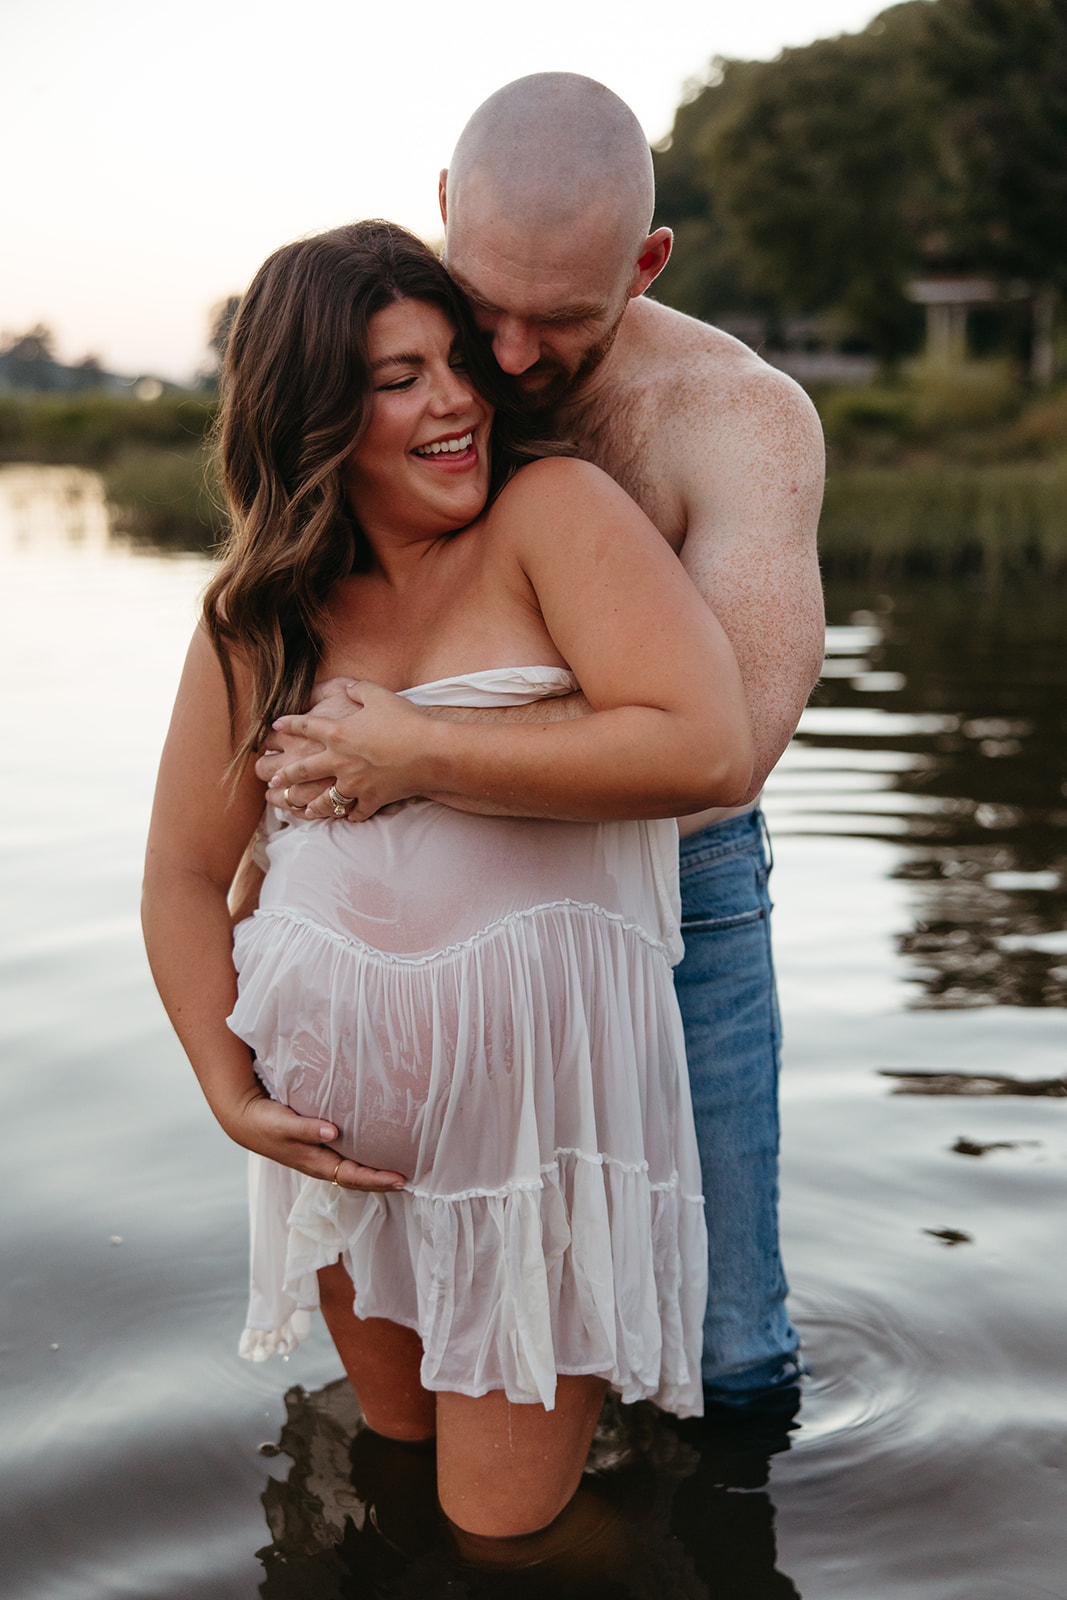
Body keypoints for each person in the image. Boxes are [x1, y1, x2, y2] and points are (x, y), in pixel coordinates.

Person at [141, 220, 754, 1541]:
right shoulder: (261, 611)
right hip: (339, 1152)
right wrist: (226, 1089)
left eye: (454, 359)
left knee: (505, 1537)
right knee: (402, 1487)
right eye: (399, 376)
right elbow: (185, 877)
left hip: (531, 1144)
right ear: (315, 413)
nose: (460, 397)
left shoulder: (551, 515)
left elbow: (702, 744)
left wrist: (420, 751)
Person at [260, 74, 826, 1415]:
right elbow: (293, 605)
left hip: (679, 908)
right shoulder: (396, 372)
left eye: (561, 318)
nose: (506, 358)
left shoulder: (737, 419)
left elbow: (726, 750)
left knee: (729, 1347)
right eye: (486, 300)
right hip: (415, 913)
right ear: (447, 211)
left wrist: (422, 756)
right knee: (432, 1300)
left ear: (648, 262)